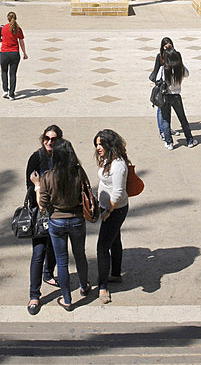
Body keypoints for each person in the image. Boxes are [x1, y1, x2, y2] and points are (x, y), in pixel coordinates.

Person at [34, 138, 91, 311]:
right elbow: (87, 190)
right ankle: (84, 286)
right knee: (80, 254)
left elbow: (42, 204)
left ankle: (67, 299)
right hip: (77, 219)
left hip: (56, 221)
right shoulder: (78, 172)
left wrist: (37, 186)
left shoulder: (48, 177)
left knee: (62, 261)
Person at [25, 124, 63, 314]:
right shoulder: (36, 158)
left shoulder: (63, 157)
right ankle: (34, 296)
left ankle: (48, 273)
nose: (49, 142)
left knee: (56, 249)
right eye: (46, 138)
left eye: (53, 139)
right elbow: (30, 188)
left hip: (59, 212)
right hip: (41, 213)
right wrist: (40, 188)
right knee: (38, 252)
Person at [94, 129, 129, 305]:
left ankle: (102, 286)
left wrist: (109, 211)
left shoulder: (118, 165)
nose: (98, 147)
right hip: (107, 208)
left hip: (115, 211)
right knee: (114, 240)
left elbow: (118, 193)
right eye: (97, 144)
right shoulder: (109, 159)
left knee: (102, 247)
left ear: (109, 144)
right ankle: (115, 273)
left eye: (101, 144)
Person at [157, 48, 198, 149]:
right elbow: (187, 74)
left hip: (166, 96)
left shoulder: (164, 69)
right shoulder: (180, 68)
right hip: (176, 96)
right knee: (182, 118)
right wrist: (181, 63)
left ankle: (169, 142)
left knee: (166, 119)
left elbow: (157, 79)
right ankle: (189, 140)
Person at [149, 36, 177, 140]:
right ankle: (162, 131)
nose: (168, 48)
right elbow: (155, 71)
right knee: (161, 109)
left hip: (171, 88)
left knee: (167, 111)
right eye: (166, 47)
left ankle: (167, 130)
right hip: (162, 88)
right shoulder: (160, 57)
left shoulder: (174, 55)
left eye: (170, 46)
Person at [0, 10, 27, 99]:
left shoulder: (2, 28)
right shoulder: (18, 29)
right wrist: (24, 53)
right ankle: (11, 94)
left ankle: (5, 90)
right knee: (13, 74)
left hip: (4, 53)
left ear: (7, 18)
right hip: (14, 53)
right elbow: (21, 42)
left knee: (4, 71)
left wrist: (4, 40)